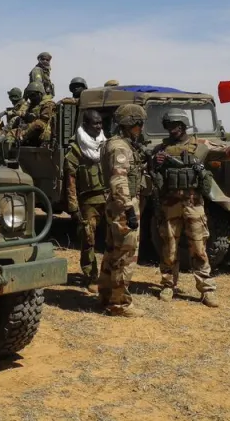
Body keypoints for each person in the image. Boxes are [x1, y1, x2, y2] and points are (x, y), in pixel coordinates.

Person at [150, 108, 230, 307]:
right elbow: (149, 172)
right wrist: (154, 163)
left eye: (176, 125)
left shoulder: (201, 146)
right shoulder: (160, 149)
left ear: (184, 125)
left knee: (199, 248)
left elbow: (227, 153)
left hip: (194, 205)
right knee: (169, 247)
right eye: (169, 126)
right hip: (169, 206)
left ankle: (207, 289)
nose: (172, 129)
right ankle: (168, 285)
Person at [97, 104, 148, 317]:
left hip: (116, 204)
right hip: (123, 205)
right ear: (130, 124)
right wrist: (129, 209)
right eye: (139, 124)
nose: (141, 128)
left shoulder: (119, 144)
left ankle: (106, 296)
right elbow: (119, 180)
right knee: (125, 255)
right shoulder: (120, 147)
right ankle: (119, 304)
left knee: (112, 251)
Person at [64, 109, 108, 293]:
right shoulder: (76, 149)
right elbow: (70, 180)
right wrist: (73, 207)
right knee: (88, 238)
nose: (98, 126)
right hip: (88, 201)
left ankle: (109, 275)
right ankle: (91, 276)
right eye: (95, 123)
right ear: (85, 125)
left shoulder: (105, 144)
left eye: (100, 123)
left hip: (108, 197)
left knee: (113, 238)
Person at [19, 81, 56, 146]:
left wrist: (24, 133)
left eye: (33, 95)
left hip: (45, 134)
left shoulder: (48, 104)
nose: (31, 98)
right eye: (29, 96)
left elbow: (42, 122)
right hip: (34, 132)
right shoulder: (34, 105)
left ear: (40, 94)